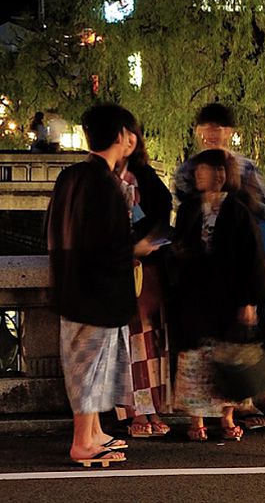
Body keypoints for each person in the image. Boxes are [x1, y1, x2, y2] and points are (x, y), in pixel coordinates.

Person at [46, 103, 159, 467]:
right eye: (131, 133)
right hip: (97, 289)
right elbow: (108, 242)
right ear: (124, 136)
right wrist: (138, 247)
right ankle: (83, 441)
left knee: (87, 364)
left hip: (70, 282)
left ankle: (93, 432)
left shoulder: (71, 176)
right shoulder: (106, 185)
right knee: (89, 367)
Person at [174, 102, 265, 427]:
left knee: (251, 333)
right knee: (202, 347)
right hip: (202, 280)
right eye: (206, 128)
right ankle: (208, 413)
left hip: (238, 265)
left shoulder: (247, 171)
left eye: (218, 128)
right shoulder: (188, 171)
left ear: (229, 132)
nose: (211, 134)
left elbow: (263, 212)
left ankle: (254, 396)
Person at [114, 116, 174, 438]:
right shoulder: (106, 177)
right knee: (128, 341)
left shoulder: (147, 178)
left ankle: (152, 407)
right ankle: (134, 409)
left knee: (150, 341)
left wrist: (148, 242)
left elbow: (164, 213)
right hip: (121, 270)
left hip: (147, 270)